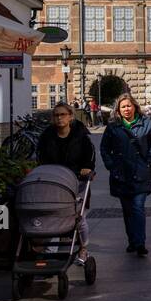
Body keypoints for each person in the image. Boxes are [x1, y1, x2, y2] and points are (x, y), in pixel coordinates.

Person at [99, 93, 151, 257]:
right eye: (123, 106)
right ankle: (132, 240)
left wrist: (149, 161)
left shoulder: (146, 123)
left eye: (129, 105)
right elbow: (104, 148)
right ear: (118, 109)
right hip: (121, 174)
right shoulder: (113, 126)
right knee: (127, 210)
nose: (126, 109)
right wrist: (111, 166)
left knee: (138, 208)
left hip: (141, 172)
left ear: (135, 107)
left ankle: (140, 243)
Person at [37, 101, 96, 263]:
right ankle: (50, 251)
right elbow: (41, 157)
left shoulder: (81, 137)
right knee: (55, 214)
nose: (59, 118)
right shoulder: (47, 136)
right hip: (55, 182)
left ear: (70, 116)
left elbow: (90, 158)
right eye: (56, 115)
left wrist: (87, 168)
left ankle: (83, 248)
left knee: (79, 217)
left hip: (77, 181)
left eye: (62, 114)